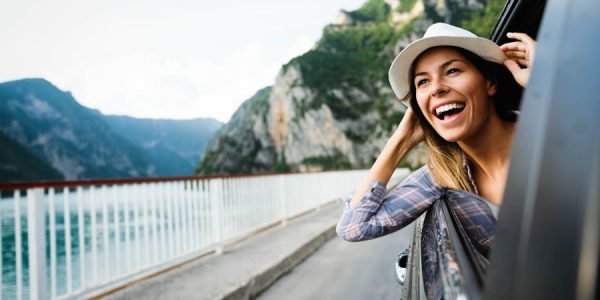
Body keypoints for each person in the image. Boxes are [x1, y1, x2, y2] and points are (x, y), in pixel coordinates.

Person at [335, 23, 536, 298]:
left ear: (489, 82)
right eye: (423, 82)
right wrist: (400, 141)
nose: (436, 89)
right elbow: (354, 226)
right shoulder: (442, 176)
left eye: (452, 70)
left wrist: (549, 86)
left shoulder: (547, 131)